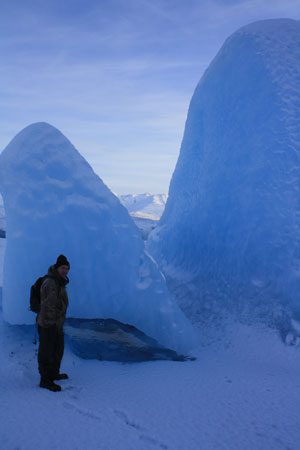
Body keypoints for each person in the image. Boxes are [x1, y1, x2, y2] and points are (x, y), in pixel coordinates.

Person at [37, 254, 70, 392]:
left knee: (58, 350)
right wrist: (52, 323)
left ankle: (53, 374)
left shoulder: (59, 281)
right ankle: (45, 380)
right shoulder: (51, 283)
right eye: (63, 268)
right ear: (57, 268)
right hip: (48, 324)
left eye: (67, 268)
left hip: (56, 324)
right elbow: (48, 306)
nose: (65, 270)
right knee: (47, 352)